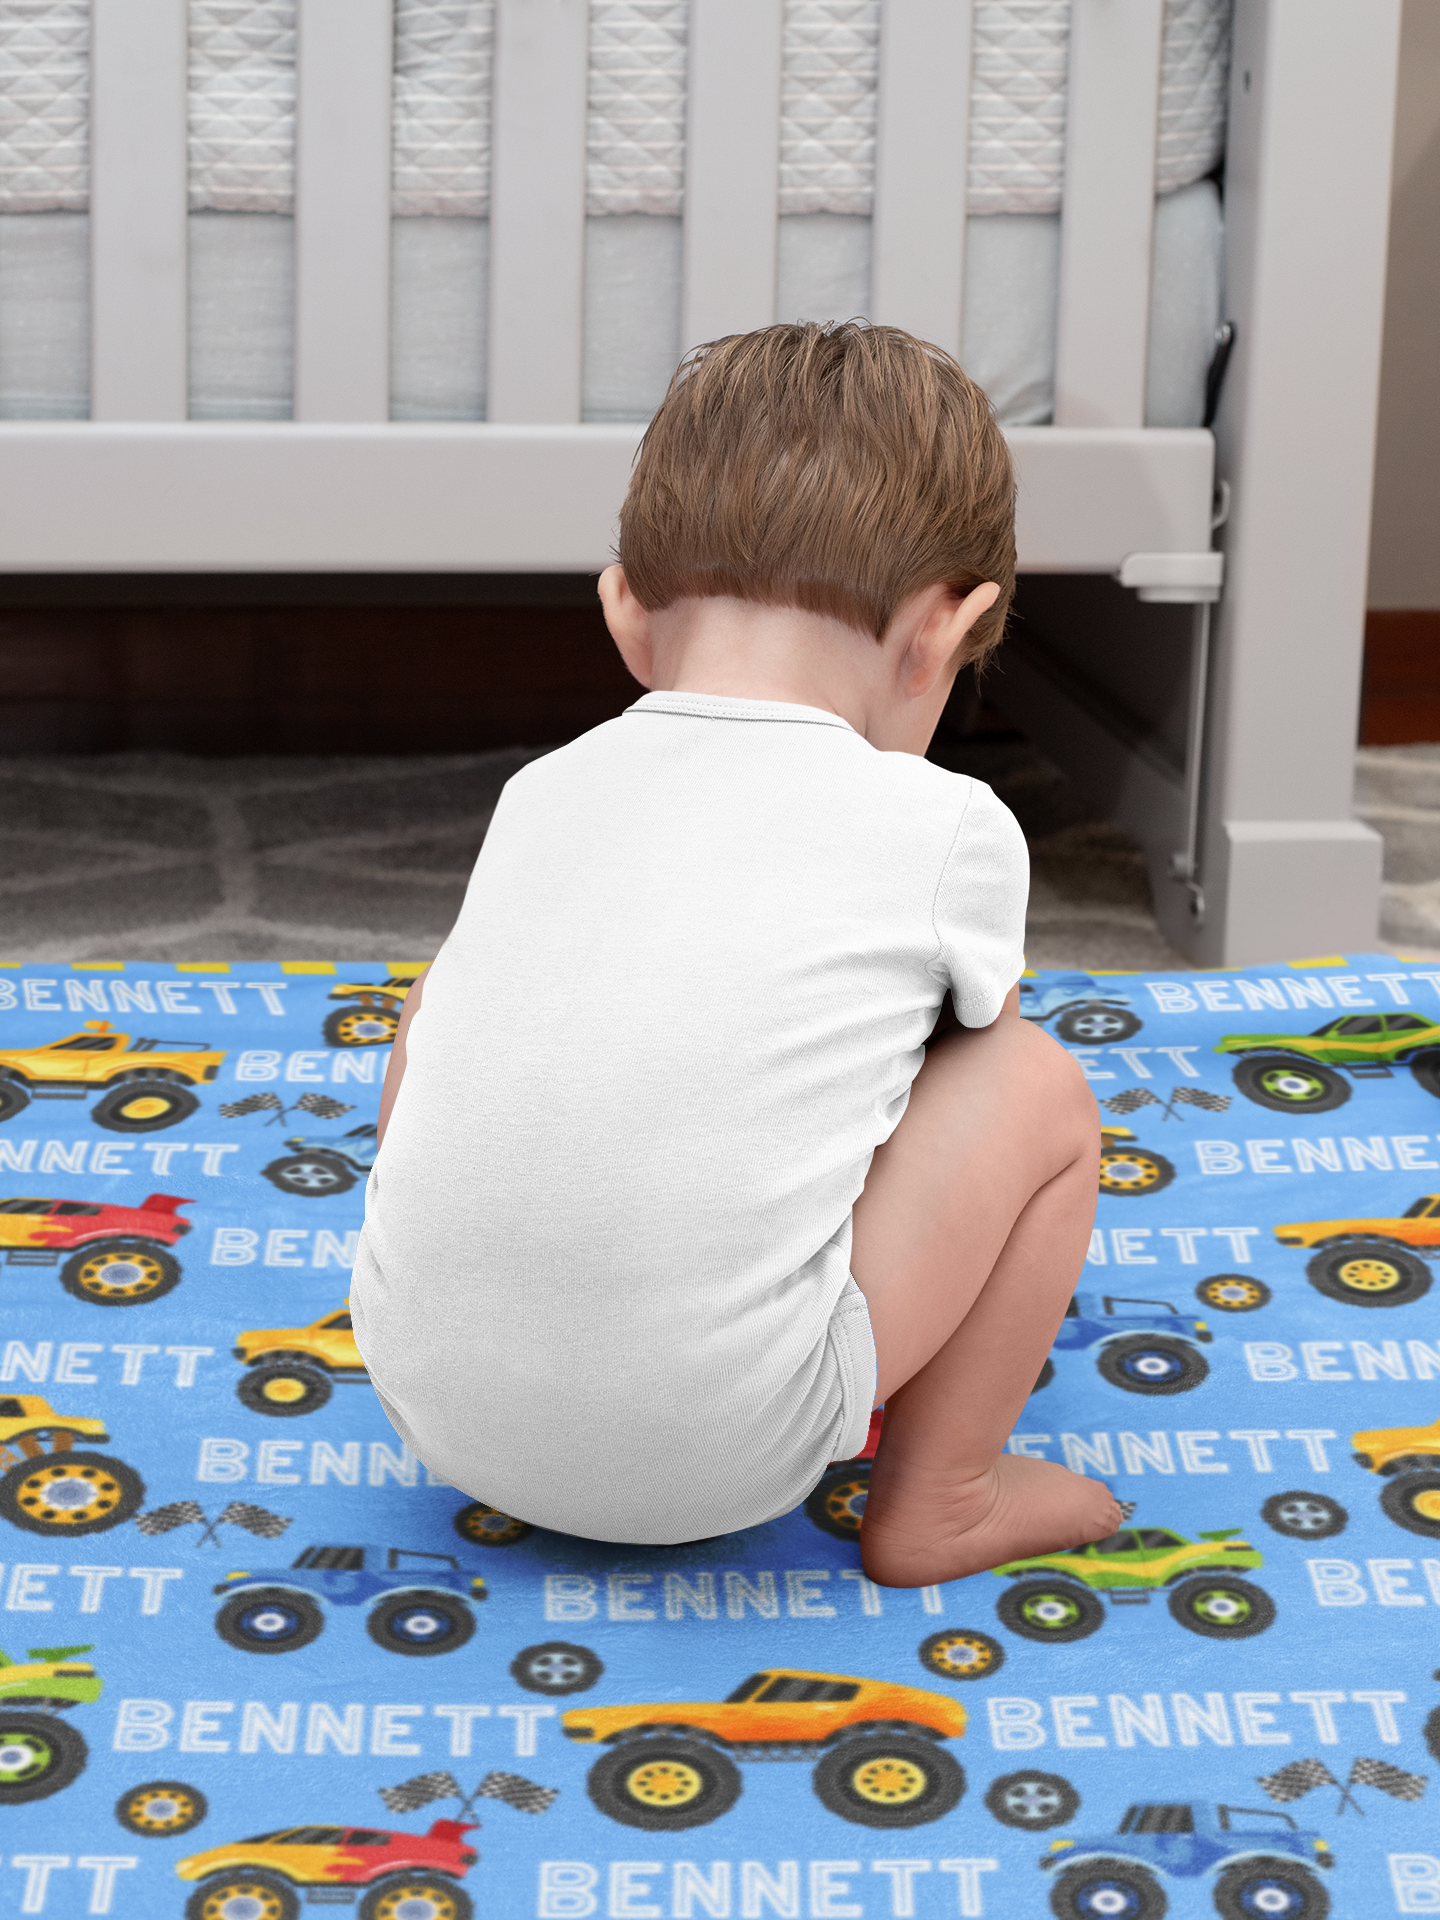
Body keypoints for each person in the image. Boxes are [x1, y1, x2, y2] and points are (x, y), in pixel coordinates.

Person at [351, 321, 1119, 1588]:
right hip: (724, 1445)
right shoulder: (946, 826)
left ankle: (489, 1306)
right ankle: (947, 1497)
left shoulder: (543, 792)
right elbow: (951, 1068)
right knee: (1030, 1083)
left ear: (627, 616)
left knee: (449, 992)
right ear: (949, 631)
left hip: (438, 1415)